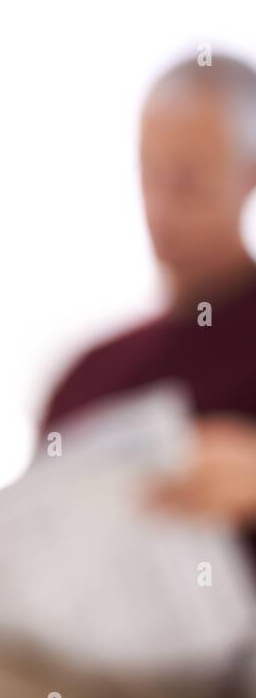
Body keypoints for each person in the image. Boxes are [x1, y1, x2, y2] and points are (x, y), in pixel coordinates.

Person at [41, 53, 256, 576]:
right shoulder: (90, 373)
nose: (158, 207)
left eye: (186, 181)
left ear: (248, 177)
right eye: (148, 171)